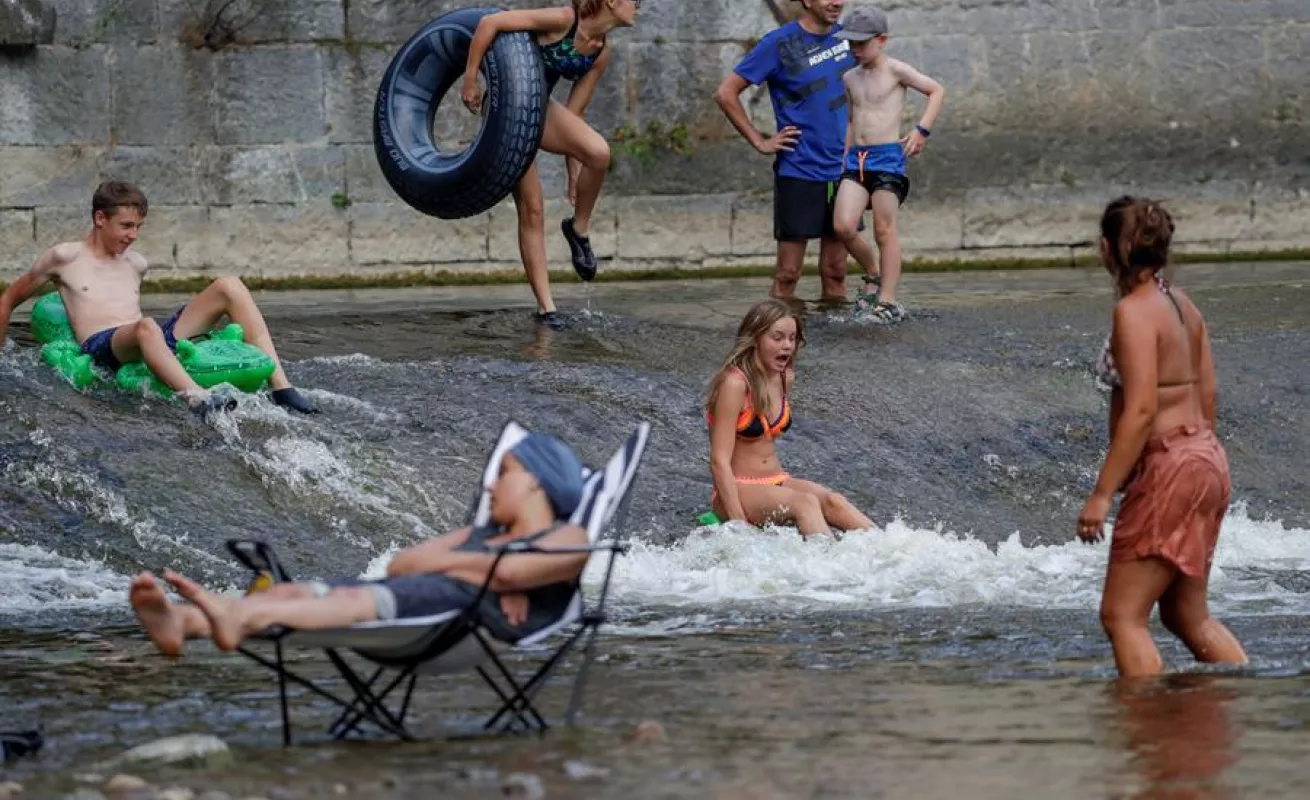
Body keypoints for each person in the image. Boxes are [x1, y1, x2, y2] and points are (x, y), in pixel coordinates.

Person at [130, 433, 590, 655]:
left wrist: (491, 573)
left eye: (505, 473)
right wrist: (490, 569)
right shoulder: (483, 536)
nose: (491, 487)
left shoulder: (570, 537)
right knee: (295, 590)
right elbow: (403, 564)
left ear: (537, 483)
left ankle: (241, 616)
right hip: (429, 604)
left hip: (453, 619)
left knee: (352, 599)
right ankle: (183, 622)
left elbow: (507, 573)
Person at [1078, 196, 1247, 677]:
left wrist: (1101, 495)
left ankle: (1146, 731)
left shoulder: (1134, 312)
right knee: (1186, 615)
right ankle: (1240, 695)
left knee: (1122, 617)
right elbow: (1208, 395)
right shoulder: (1183, 305)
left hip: (1171, 462)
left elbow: (1143, 408)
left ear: (1105, 248)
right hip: (1207, 458)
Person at [0, 182, 318, 417]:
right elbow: (8, 300)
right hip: (103, 346)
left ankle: (282, 389)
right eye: (126, 226)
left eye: (138, 226)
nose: (133, 235)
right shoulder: (64, 257)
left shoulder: (136, 263)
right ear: (100, 219)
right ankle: (197, 399)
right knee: (145, 327)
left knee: (229, 286)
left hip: (147, 338)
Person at [462, 0, 640, 330]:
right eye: (637, 1)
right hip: (506, 111)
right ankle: (547, 309)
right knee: (533, 209)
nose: (640, 7)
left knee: (598, 153)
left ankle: (578, 229)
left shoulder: (600, 53)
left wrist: (572, 167)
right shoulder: (563, 19)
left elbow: (575, 116)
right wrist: (471, 79)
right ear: (612, 1)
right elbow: (490, 23)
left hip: (543, 109)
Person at [713, 0, 880, 305]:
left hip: (845, 172)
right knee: (788, 274)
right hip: (799, 169)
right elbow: (726, 93)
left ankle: (834, 349)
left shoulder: (850, 40)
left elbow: (875, 88)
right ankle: (780, 340)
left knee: (836, 271)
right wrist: (759, 141)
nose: (837, 2)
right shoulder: (779, 43)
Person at [705, 299, 874, 538]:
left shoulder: (785, 377)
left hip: (776, 481)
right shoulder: (734, 384)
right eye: (777, 338)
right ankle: (829, 567)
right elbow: (718, 462)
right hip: (737, 489)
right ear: (755, 339)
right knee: (805, 503)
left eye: (792, 338)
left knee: (834, 501)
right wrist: (739, 527)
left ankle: (896, 552)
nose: (787, 346)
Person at [831, 5, 944, 323]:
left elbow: (936, 91)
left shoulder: (897, 70)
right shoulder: (849, 77)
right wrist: (844, 157)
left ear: (882, 39)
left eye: (861, 43)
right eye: (850, 44)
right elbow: (853, 120)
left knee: (884, 230)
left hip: (887, 159)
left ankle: (887, 300)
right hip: (856, 160)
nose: (855, 50)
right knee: (842, 225)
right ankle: (872, 271)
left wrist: (921, 130)